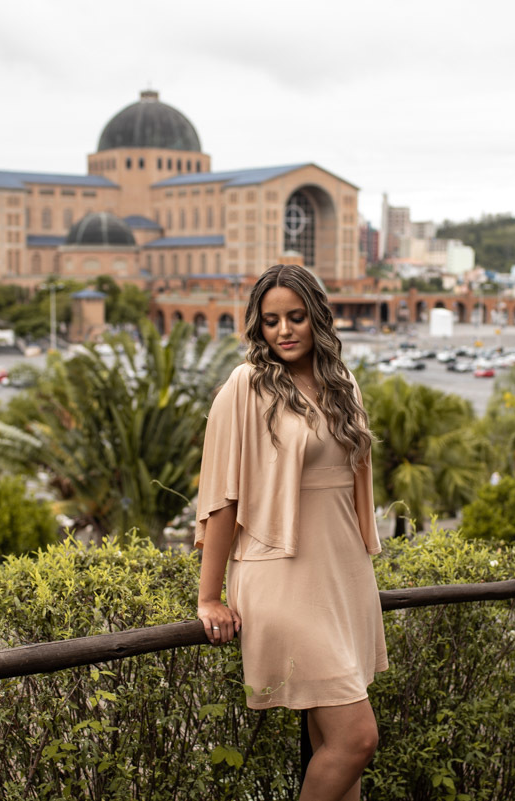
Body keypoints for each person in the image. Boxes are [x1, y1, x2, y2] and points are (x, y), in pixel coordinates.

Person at [194, 264, 388, 801]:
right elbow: (222, 499)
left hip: (343, 573)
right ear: (258, 325)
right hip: (280, 574)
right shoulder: (246, 386)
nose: (284, 330)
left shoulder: (342, 382)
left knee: (333, 740)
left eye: (296, 317)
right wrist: (210, 596)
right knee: (357, 739)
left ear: (317, 318)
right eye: (272, 319)